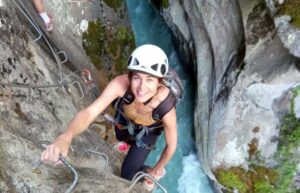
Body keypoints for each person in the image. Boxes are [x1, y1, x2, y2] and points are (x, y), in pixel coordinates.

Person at [41, 44, 177, 191]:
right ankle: (128, 147)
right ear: (130, 76)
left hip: (148, 132)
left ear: (159, 82)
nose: (142, 88)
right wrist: (65, 137)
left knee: (126, 174)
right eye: (137, 78)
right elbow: (90, 112)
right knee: (119, 135)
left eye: (150, 79)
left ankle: (147, 171)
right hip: (127, 120)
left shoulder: (166, 108)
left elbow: (171, 145)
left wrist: (157, 169)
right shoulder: (120, 84)